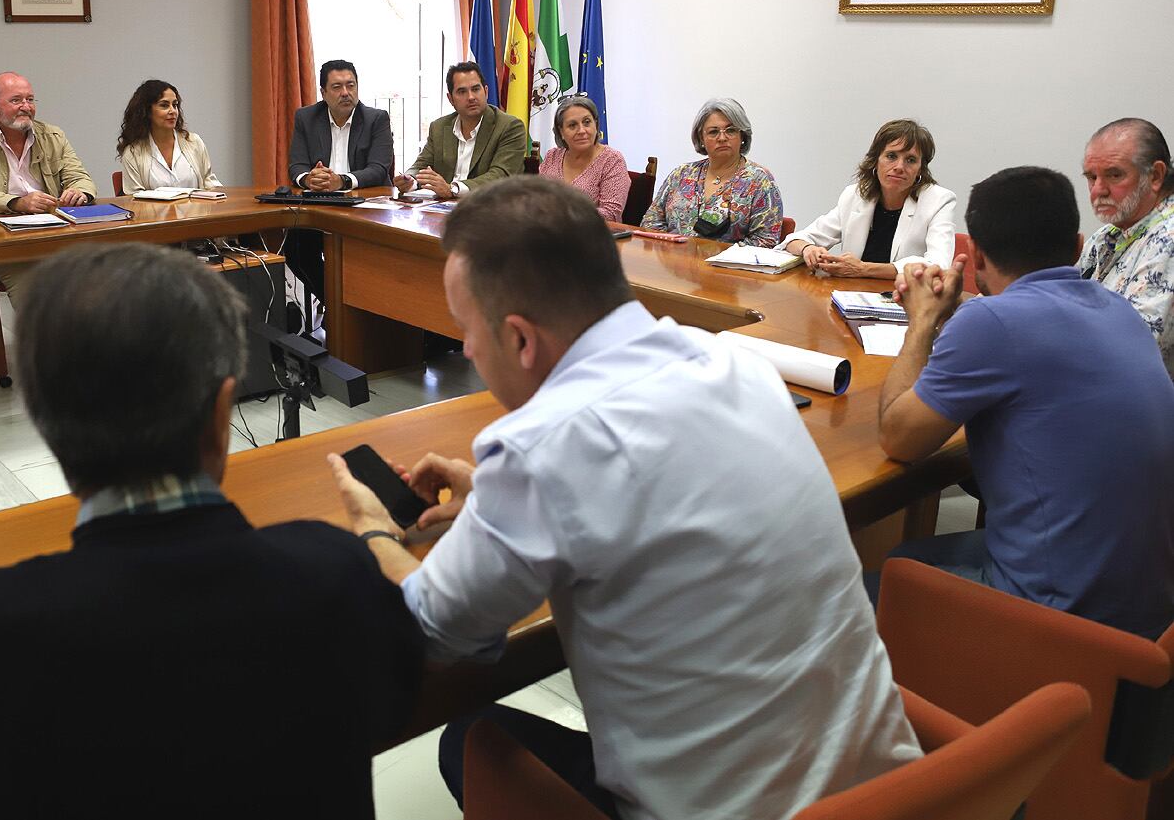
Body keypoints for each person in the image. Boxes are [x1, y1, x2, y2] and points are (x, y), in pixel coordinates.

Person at [328, 176, 920, 820]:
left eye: (466, 330)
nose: (465, 348)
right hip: (900, 794)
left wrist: (373, 528)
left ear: (522, 340)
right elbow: (638, 499)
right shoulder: (734, 365)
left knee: (465, 740)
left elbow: (435, 635)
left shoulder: (541, 447)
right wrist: (494, 503)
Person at [0, 242, 424, 818]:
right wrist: (375, 536)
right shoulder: (333, 572)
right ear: (223, 410)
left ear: (42, 420)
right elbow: (409, 682)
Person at [877, 166, 1174, 639]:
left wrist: (922, 322)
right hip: (1148, 611)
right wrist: (960, 313)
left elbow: (898, 437)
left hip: (1062, 621)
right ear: (1078, 247)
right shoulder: (1117, 309)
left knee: (884, 573)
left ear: (971, 255)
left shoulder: (993, 325)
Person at [0, 71, 97, 308]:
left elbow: (80, 177)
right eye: (16, 100)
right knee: (35, 295)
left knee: (96, 281)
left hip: (56, 235)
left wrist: (80, 191)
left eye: (30, 100)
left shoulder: (53, 135)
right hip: (9, 243)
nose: (26, 107)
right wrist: (17, 203)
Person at [782, 119, 956, 278]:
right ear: (875, 160)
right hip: (852, 298)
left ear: (920, 169)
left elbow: (938, 265)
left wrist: (864, 269)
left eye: (910, 160)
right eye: (891, 156)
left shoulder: (939, 201)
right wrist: (808, 248)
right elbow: (795, 240)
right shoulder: (855, 195)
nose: (899, 167)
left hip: (905, 301)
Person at [284, 59, 394, 310]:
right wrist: (309, 179)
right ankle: (336, 306)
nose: (346, 93)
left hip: (366, 208)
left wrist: (342, 181)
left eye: (350, 85)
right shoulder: (306, 117)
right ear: (323, 92)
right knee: (296, 247)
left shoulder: (376, 119)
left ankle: (359, 307)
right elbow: (296, 167)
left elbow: (378, 170)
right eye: (337, 87)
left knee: (367, 259)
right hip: (320, 207)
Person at [1076, 117, 1174, 377]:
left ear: (1155, 175)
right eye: (1091, 177)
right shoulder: (1106, 236)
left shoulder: (1169, 238)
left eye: (1114, 175)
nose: (1098, 190)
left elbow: (1139, 351)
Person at [640, 98, 783, 245]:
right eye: (713, 132)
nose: (722, 138)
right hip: (672, 264)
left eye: (731, 130)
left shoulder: (760, 181)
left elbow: (766, 241)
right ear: (701, 138)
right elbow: (651, 222)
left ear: (742, 136)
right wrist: (672, 255)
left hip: (725, 267)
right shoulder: (681, 174)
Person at [392, 61, 526, 202]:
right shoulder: (439, 127)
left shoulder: (510, 126)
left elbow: (501, 175)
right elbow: (421, 165)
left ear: (486, 92)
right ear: (451, 99)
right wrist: (410, 180)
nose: (471, 97)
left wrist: (453, 189)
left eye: (476, 89)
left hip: (490, 208)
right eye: (462, 92)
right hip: (444, 210)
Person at [117, 79, 222, 191]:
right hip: (153, 209)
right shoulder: (133, 153)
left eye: (175, 105)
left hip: (196, 208)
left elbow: (209, 183)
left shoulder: (194, 142)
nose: (173, 111)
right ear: (147, 111)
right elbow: (133, 200)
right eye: (164, 105)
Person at [537, 95, 630, 222]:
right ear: (561, 132)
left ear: (596, 125)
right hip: (550, 233)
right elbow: (538, 200)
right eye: (572, 125)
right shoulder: (552, 157)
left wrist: (561, 215)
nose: (581, 130)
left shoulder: (612, 160)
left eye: (587, 122)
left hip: (593, 236)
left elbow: (610, 214)